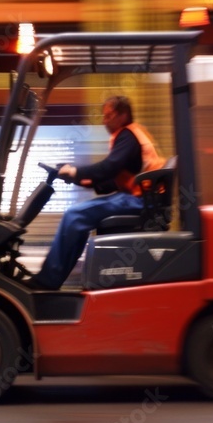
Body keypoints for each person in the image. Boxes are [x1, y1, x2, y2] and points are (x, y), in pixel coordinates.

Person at [28, 95, 164, 290]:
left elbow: (110, 167)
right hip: (138, 197)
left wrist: (76, 171)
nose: (103, 120)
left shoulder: (128, 135)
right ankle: (52, 278)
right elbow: (114, 178)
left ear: (123, 115)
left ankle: (47, 281)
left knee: (75, 215)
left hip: (140, 201)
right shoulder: (130, 136)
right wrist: (83, 180)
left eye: (108, 116)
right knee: (77, 216)